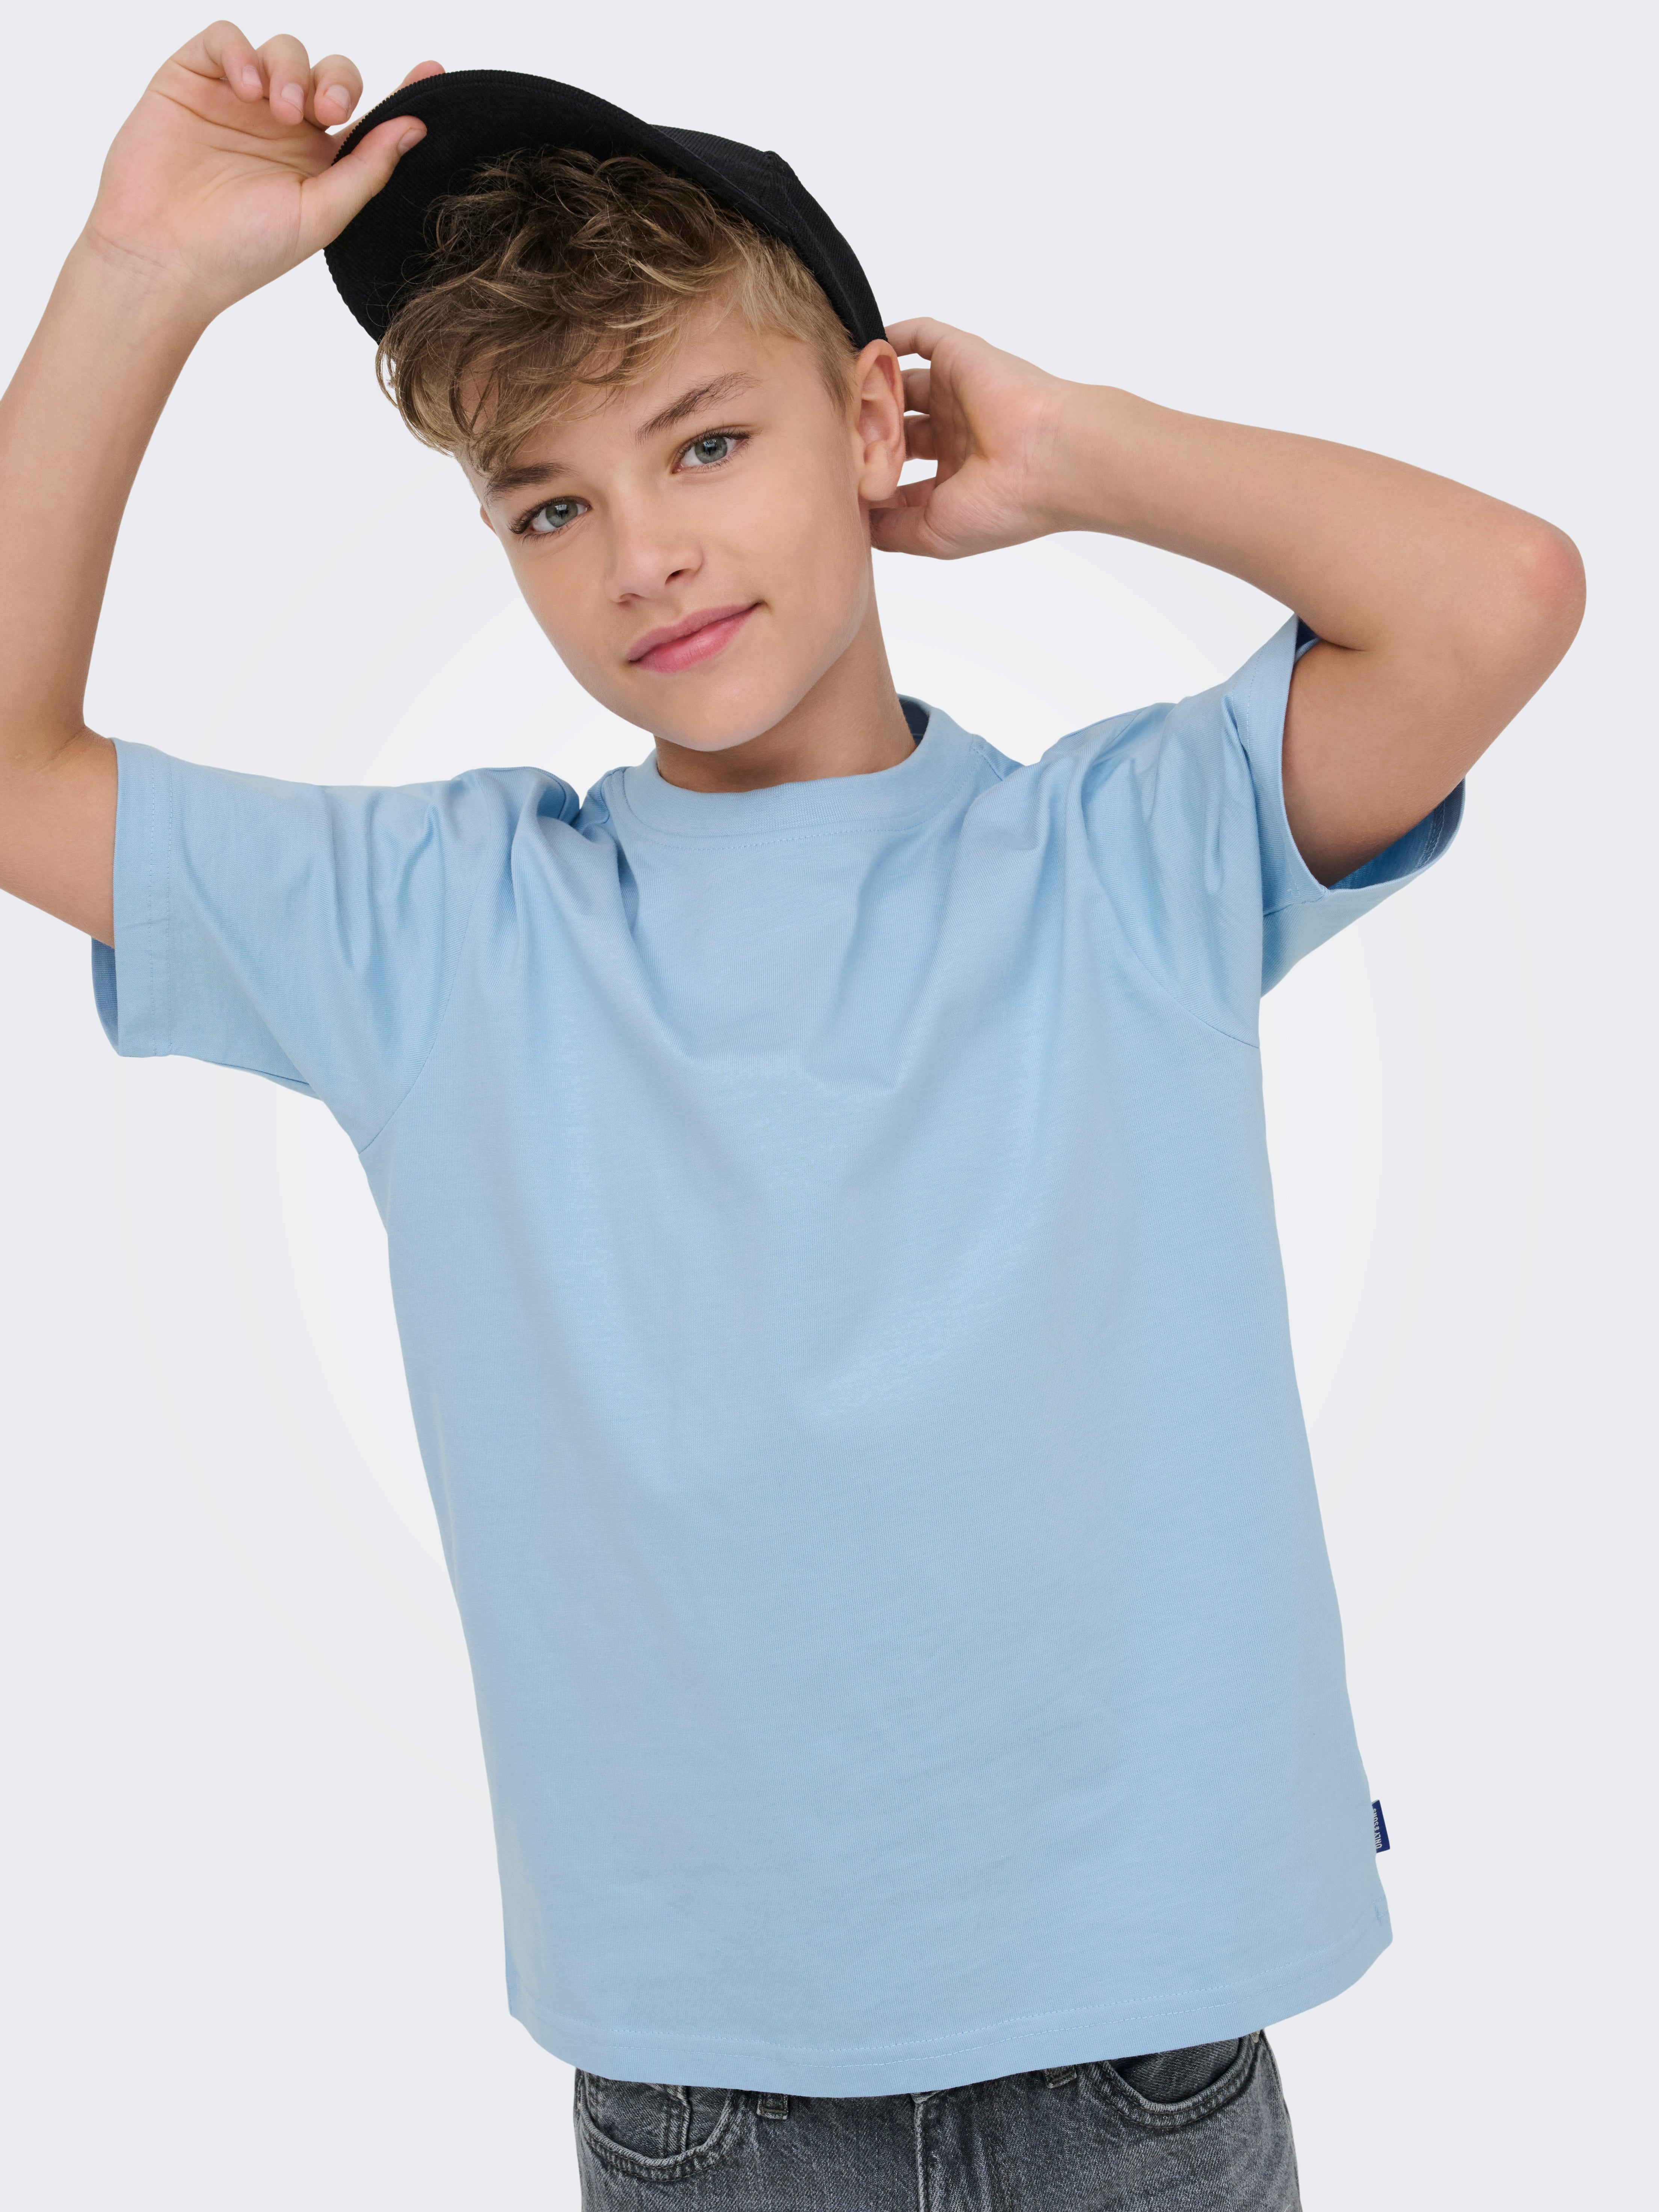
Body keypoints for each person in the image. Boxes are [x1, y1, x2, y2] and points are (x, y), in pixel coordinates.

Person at [0, 23, 1584, 2212]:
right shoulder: (442, 925)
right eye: (551, 504)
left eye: (710, 441)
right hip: (710, 2088)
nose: (643, 552)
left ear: (864, 423)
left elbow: (1497, 596)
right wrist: (134, 275)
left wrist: (1068, 452)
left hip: (1142, 2044)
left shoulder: (1126, 852)